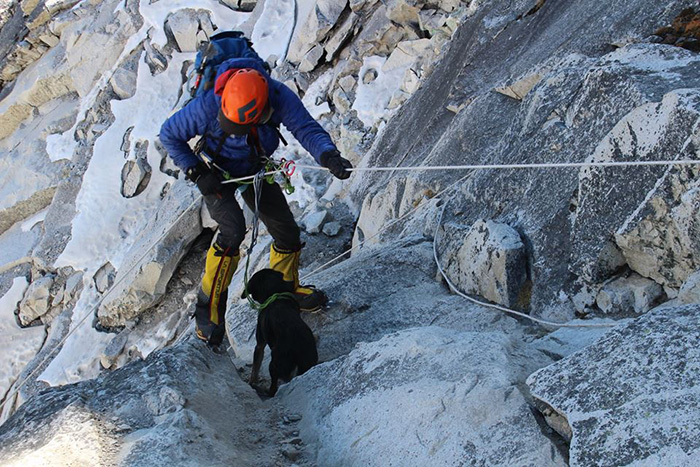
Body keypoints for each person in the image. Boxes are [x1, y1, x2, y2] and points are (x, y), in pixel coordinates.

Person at [159, 56, 352, 347]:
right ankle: (208, 312)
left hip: (255, 168)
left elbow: (306, 129)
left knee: (286, 231)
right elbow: (169, 135)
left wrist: (328, 156)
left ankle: (286, 294)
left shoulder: (277, 96)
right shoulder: (210, 104)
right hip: (215, 172)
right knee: (232, 230)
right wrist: (195, 171)